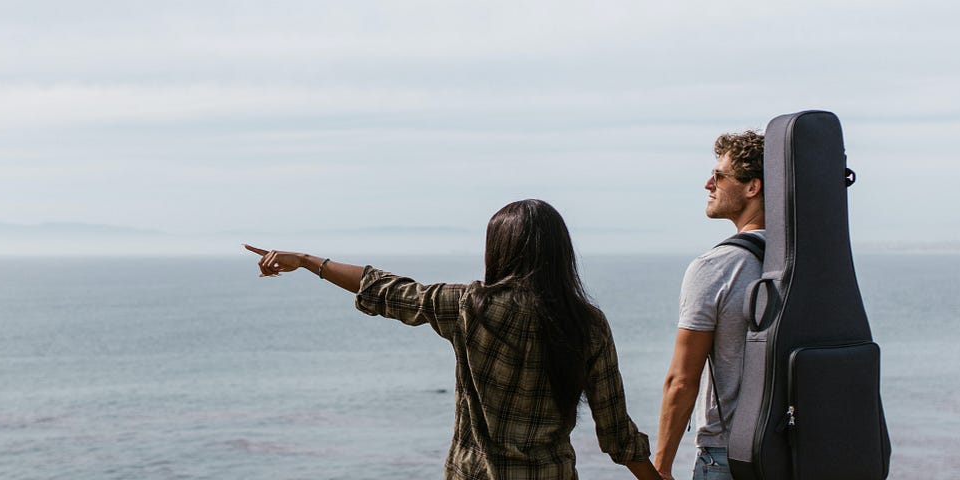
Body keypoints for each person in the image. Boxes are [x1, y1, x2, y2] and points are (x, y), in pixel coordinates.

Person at [244, 199, 660, 480]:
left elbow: (385, 289)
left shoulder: (469, 307)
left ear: (500, 250)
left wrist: (308, 261)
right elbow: (616, 432)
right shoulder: (587, 324)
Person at [653, 130, 767, 480]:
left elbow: (682, 380)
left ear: (753, 187)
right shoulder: (805, 260)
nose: (708, 184)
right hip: (796, 451)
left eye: (719, 175)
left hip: (728, 455)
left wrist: (660, 467)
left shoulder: (717, 267)